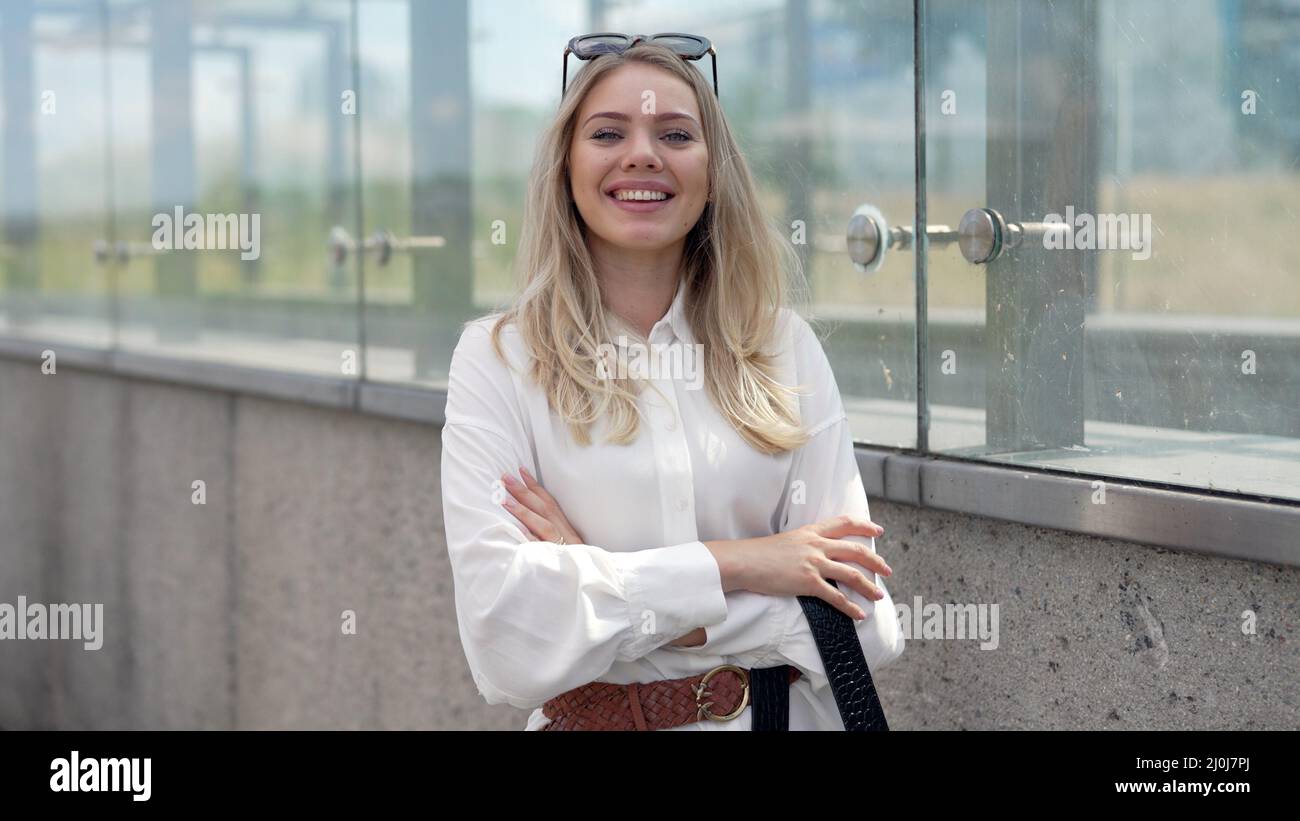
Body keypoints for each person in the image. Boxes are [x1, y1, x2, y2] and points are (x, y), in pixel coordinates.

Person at [440, 38, 904, 731]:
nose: (642, 154)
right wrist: (746, 563)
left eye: (676, 134)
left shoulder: (782, 348)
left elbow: (867, 628)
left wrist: (595, 576)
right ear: (566, 168)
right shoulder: (499, 359)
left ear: (713, 173)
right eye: (607, 133)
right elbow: (507, 639)